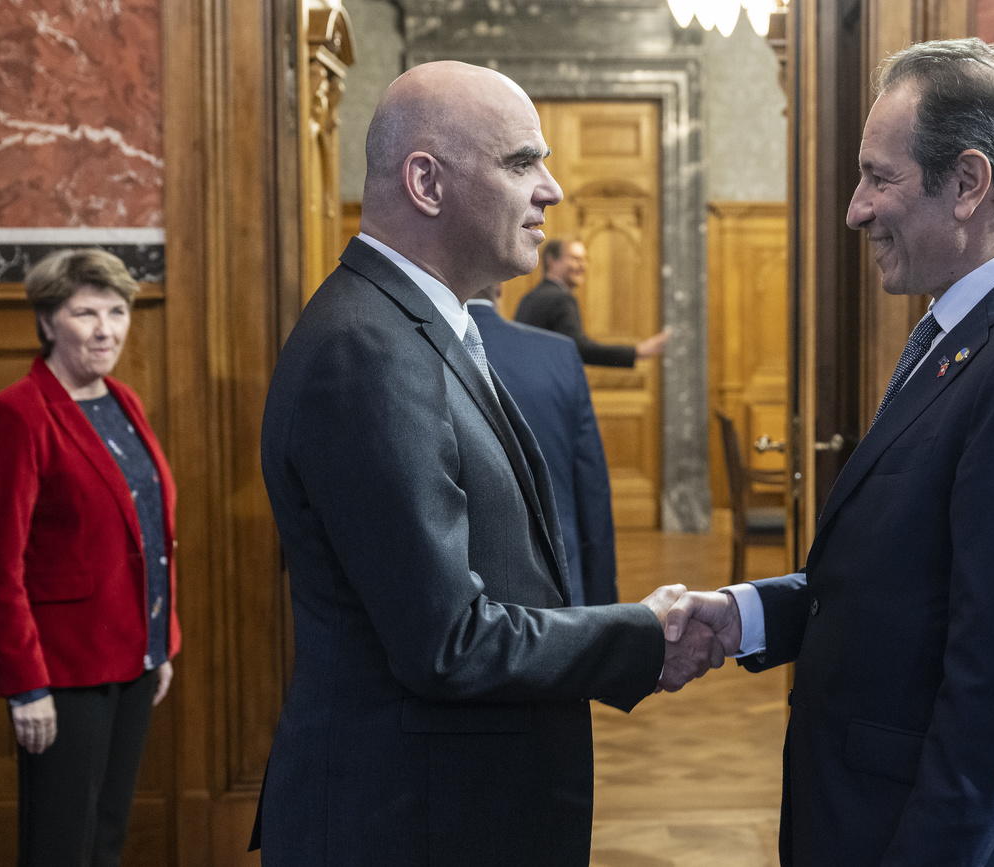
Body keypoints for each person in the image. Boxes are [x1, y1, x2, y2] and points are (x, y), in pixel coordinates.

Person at [665, 38, 994, 867]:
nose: (854, 208)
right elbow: (907, 588)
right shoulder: (973, 336)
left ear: (968, 184)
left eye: (879, 177)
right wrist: (744, 615)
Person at [249, 61, 720, 866]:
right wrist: (642, 634)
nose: (554, 189)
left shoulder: (418, 326)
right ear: (427, 182)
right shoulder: (369, 348)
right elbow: (449, 639)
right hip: (410, 821)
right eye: (520, 162)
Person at [0, 248, 179, 867]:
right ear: (48, 321)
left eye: (117, 311)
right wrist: (24, 684)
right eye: (86, 313)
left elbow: (148, 529)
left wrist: (160, 640)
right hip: (61, 672)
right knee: (60, 845)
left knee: (107, 835)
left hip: (135, 656)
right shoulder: (15, 416)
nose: (106, 329)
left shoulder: (122, 402)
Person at [468, 282, 619, 606]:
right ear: (498, 288)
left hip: (463, 602)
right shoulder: (560, 354)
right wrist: (606, 609)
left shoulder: (411, 351)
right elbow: (591, 487)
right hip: (559, 582)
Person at [514, 237, 671, 366]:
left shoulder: (529, 298)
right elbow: (579, 349)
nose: (583, 266)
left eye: (584, 259)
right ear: (552, 261)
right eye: (575, 259)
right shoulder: (561, 299)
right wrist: (637, 351)